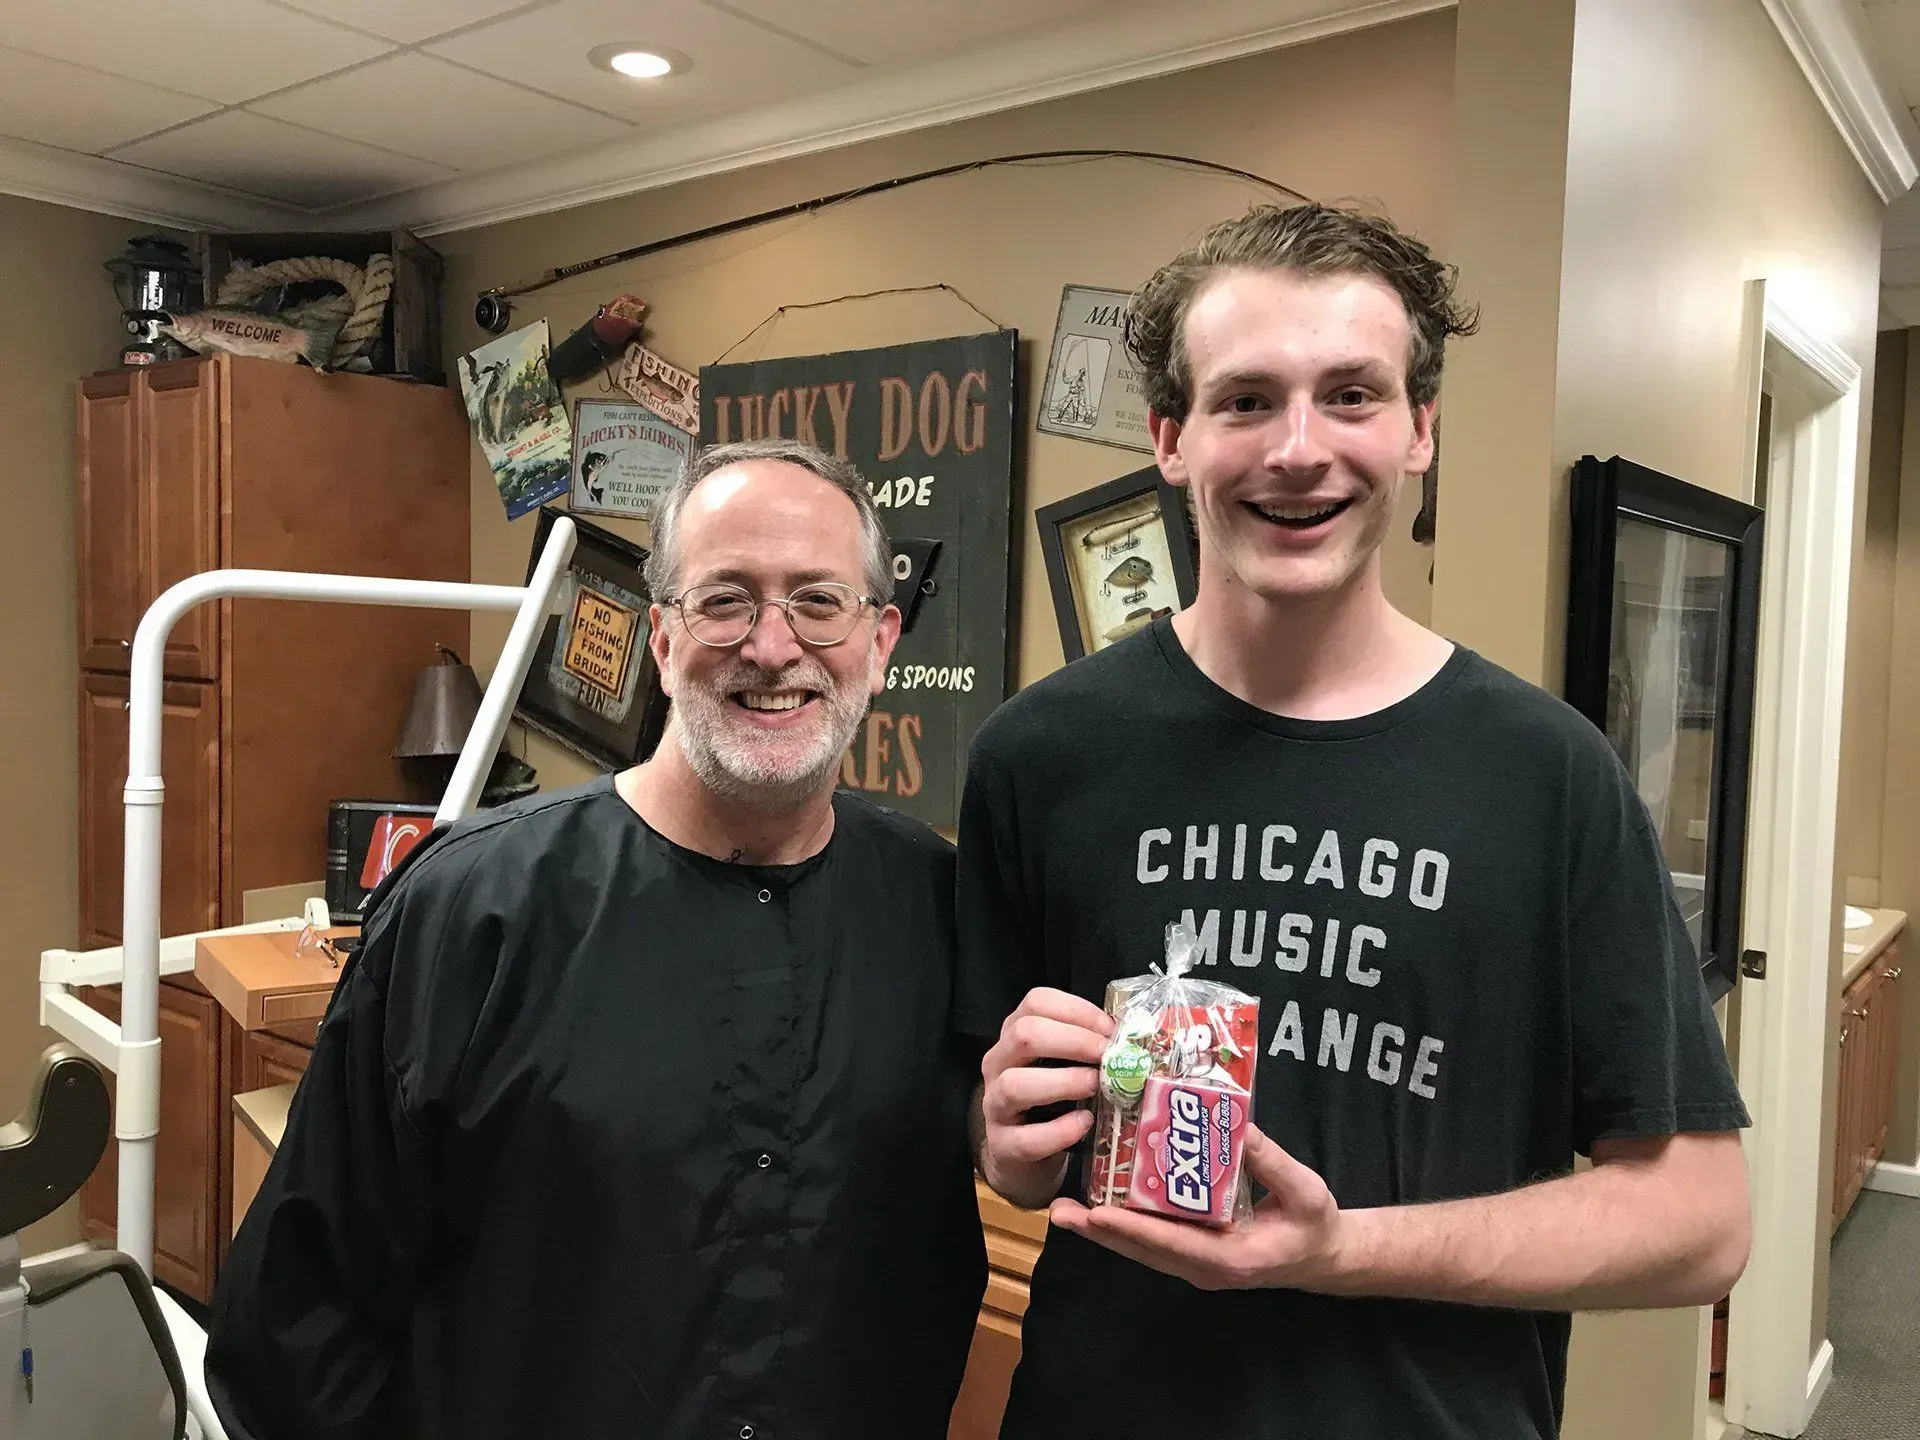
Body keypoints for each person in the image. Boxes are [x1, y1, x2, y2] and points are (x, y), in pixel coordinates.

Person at [957, 203, 1752, 1439]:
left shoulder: (1549, 776)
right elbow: (993, 1128)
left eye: (1352, 395)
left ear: (1420, 429)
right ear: (1170, 438)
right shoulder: (1038, 755)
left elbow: (1701, 1222)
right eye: (1244, 401)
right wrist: (1006, 1136)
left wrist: (1337, 1250)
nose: (1298, 449)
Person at [208, 438, 987, 1440]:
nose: (772, 644)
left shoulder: (938, 908)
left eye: (818, 601)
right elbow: (297, 1324)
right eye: (725, 599)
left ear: (880, 643)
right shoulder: (470, 913)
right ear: (661, 640)